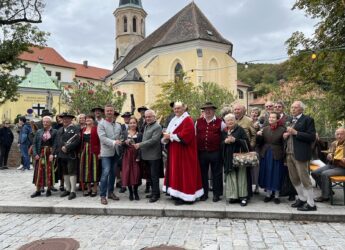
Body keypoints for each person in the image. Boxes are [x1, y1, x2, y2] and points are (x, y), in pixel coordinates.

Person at [162, 102, 203, 205]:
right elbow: (170, 132)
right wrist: (167, 137)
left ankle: (186, 196)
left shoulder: (188, 120)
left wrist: (170, 136)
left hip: (185, 152)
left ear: (184, 108)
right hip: (175, 151)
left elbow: (186, 136)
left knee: (184, 173)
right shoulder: (175, 119)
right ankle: (176, 193)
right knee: (176, 172)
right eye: (175, 109)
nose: (176, 110)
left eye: (179, 108)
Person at [284, 101, 317, 211]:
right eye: (292, 107)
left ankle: (311, 204)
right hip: (289, 153)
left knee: (304, 178)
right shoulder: (288, 119)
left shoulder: (307, 119)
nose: (292, 109)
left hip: (301, 153)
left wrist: (296, 133)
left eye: (295, 107)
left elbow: (312, 137)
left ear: (301, 109)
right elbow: (288, 134)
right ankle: (302, 199)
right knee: (294, 178)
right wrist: (285, 135)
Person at [195, 102, 225, 202]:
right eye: (205, 109)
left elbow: (225, 135)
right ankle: (204, 193)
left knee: (217, 173)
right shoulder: (198, 122)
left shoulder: (220, 122)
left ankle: (217, 194)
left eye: (210, 109)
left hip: (216, 152)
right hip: (202, 152)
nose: (207, 111)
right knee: (202, 174)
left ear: (214, 111)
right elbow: (194, 136)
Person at [256, 112, 286, 204]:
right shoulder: (264, 129)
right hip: (266, 154)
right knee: (267, 173)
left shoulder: (282, 129)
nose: (271, 119)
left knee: (276, 174)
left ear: (277, 119)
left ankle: (276, 195)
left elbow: (284, 144)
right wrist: (258, 135)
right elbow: (259, 143)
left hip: (277, 154)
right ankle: (268, 194)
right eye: (270, 117)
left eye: (273, 117)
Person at [134, 110, 162, 203]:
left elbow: (154, 140)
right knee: (149, 176)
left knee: (154, 176)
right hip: (146, 156)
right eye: (146, 117)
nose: (148, 118)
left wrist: (140, 145)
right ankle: (153, 192)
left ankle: (156, 194)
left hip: (154, 156)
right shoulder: (146, 126)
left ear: (154, 117)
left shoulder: (157, 126)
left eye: (150, 116)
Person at [221, 113, 250, 206]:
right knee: (231, 176)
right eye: (228, 120)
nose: (230, 122)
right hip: (228, 158)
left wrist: (235, 140)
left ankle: (243, 197)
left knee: (241, 177)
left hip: (239, 158)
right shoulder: (224, 131)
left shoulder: (240, 130)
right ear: (225, 122)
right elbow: (220, 144)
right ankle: (234, 196)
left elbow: (246, 142)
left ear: (235, 120)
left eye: (231, 120)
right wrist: (225, 142)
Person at [312, 128, 345, 202]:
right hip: (332, 165)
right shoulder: (334, 143)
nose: (339, 136)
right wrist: (329, 155)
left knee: (324, 174)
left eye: (341, 134)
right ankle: (328, 191)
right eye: (337, 134)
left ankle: (325, 196)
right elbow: (330, 152)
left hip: (343, 168)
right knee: (314, 173)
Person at [97, 104, 122, 205]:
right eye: (107, 111)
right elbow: (102, 138)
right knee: (105, 172)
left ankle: (110, 192)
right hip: (106, 153)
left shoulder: (118, 125)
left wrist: (122, 141)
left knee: (113, 173)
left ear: (113, 112)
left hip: (116, 152)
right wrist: (114, 142)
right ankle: (103, 196)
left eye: (111, 111)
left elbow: (120, 137)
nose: (109, 112)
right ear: (104, 112)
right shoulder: (101, 124)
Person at [55, 112, 81, 200]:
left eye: (67, 118)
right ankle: (68, 189)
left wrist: (67, 147)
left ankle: (73, 191)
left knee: (72, 172)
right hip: (61, 155)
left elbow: (77, 140)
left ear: (71, 119)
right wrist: (55, 152)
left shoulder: (75, 128)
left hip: (71, 154)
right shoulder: (60, 130)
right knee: (65, 172)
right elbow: (57, 142)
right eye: (64, 118)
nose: (65, 120)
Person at [31, 116, 57, 198]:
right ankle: (38, 190)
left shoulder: (55, 132)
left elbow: (56, 144)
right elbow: (34, 144)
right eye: (44, 122)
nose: (45, 123)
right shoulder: (39, 131)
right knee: (39, 171)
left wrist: (53, 154)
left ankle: (49, 189)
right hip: (40, 153)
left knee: (49, 170)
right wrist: (35, 154)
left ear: (50, 123)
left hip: (49, 153)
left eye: (47, 122)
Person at [233, 104, 256, 197]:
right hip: (233, 150)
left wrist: (250, 147)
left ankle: (246, 194)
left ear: (243, 110)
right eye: (235, 109)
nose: (236, 111)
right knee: (235, 173)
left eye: (238, 109)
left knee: (245, 174)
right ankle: (236, 193)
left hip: (244, 150)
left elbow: (254, 135)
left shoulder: (249, 121)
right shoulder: (231, 119)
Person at [79, 115, 100, 197]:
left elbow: (100, 141)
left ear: (93, 120)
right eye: (86, 119)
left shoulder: (96, 129)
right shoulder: (83, 129)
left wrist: (100, 152)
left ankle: (94, 188)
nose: (87, 120)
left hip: (94, 151)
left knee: (94, 170)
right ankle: (88, 188)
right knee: (85, 170)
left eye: (89, 119)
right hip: (84, 151)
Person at [122, 117, 142, 201]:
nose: (132, 124)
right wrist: (124, 143)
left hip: (136, 155)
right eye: (131, 123)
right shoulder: (125, 133)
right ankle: (130, 192)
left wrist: (139, 157)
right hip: (127, 155)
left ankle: (136, 191)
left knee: (136, 174)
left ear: (136, 124)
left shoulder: (140, 134)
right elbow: (121, 144)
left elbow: (141, 146)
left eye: (134, 123)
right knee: (128, 173)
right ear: (128, 124)